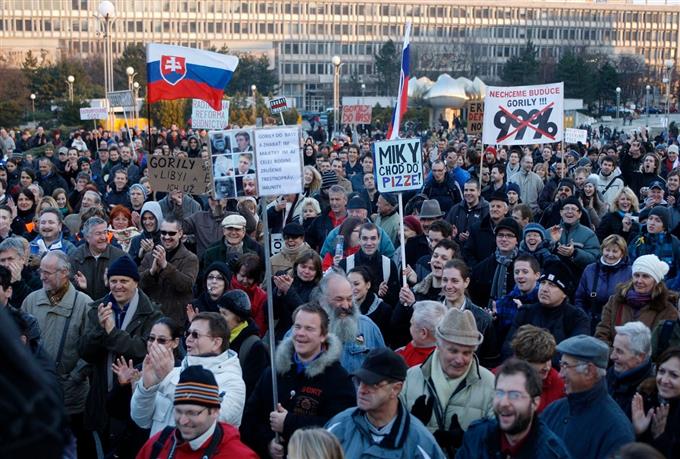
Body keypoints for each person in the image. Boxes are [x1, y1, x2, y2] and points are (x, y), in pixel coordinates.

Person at [242, 303, 355, 458]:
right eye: (297, 327)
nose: (301, 333)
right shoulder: (273, 372)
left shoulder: (338, 379)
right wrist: (267, 443)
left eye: (309, 329)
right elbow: (249, 419)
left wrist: (289, 423)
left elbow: (339, 428)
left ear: (323, 335)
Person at [78, 255, 163, 440]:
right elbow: (85, 352)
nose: (118, 286)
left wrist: (112, 332)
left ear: (136, 283)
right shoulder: (97, 309)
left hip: (132, 396)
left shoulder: (151, 314)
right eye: (113, 281)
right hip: (100, 394)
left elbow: (143, 350)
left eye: (124, 281)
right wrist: (99, 330)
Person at [21, 251, 94, 457]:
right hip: (38, 393)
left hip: (72, 396)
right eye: (41, 271)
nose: (42, 276)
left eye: (48, 272)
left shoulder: (84, 304)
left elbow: (91, 349)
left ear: (64, 273)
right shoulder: (31, 301)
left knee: (76, 446)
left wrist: (75, 377)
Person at [130, 312, 246, 435]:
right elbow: (142, 420)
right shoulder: (175, 373)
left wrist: (167, 380)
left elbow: (212, 420)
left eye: (195, 335)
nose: (188, 339)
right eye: (188, 333)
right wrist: (147, 389)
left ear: (216, 343)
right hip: (162, 447)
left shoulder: (233, 383)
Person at [401, 308, 494, 456]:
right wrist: (414, 427)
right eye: (453, 351)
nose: (459, 360)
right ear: (438, 345)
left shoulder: (490, 383)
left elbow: (496, 442)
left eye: (467, 353)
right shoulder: (411, 377)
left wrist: (468, 441)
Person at [326, 348, 446, 459]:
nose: (362, 390)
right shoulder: (338, 425)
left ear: (396, 389)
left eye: (373, 384)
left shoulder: (420, 442)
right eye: (360, 381)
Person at [542, 335, 635, 459]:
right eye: (561, 365)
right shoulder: (553, 410)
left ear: (589, 371)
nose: (560, 375)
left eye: (565, 366)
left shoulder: (616, 430)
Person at [455, 358, 571, 459]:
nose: (504, 403)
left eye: (514, 395)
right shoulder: (476, 437)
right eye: (499, 393)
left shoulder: (552, 454)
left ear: (535, 403)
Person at [135, 365, 257, 459]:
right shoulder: (158, 443)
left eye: (192, 413)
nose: (183, 421)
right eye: (178, 411)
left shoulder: (238, 455)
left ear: (214, 411)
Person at [502, 261, 590, 364]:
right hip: (523, 369)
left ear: (564, 293)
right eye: (543, 283)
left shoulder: (577, 318)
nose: (544, 289)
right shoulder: (526, 312)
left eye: (552, 285)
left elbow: (574, 354)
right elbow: (508, 348)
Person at [307, 271, 385, 374]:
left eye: (349, 299)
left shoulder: (368, 327)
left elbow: (383, 369)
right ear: (322, 301)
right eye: (339, 299)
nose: (346, 305)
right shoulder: (304, 330)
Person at [595, 254, 678, 347]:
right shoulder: (615, 301)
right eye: (636, 275)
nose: (639, 281)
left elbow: (665, 347)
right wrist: (614, 353)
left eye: (645, 276)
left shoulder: (667, 309)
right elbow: (602, 334)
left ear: (656, 281)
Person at [139, 218, 199, 327]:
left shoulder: (190, 258)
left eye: (171, 233)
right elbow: (137, 285)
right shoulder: (149, 256)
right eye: (163, 233)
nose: (167, 237)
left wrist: (166, 266)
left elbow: (186, 285)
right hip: (151, 319)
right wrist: (151, 272)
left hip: (176, 321)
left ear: (180, 233)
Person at [214, 290, 268, 400]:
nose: (220, 318)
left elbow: (252, 389)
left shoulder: (254, 347)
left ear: (238, 317)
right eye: (219, 312)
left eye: (224, 314)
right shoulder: (218, 337)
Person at [574, 234, 632, 334]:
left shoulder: (629, 272)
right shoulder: (590, 269)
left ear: (622, 254)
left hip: (617, 324)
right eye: (607, 250)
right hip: (590, 323)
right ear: (602, 250)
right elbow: (579, 298)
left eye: (615, 251)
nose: (610, 254)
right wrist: (584, 318)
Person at [631, 347, 680, 458]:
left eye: (674, 375)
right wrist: (637, 432)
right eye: (661, 371)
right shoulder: (644, 398)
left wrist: (660, 437)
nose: (664, 380)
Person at [509, 325, 565, 413]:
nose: (547, 367)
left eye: (548, 359)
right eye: (540, 361)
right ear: (522, 360)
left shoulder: (560, 383)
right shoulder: (498, 378)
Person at [469, 217, 521, 310]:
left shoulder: (524, 266)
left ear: (517, 240)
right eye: (500, 235)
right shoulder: (482, 268)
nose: (504, 239)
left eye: (509, 236)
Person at [70, 216, 127, 301]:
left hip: (112, 305)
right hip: (84, 305)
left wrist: (111, 285)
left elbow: (130, 288)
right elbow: (67, 287)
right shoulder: (76, 257)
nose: (103, 237)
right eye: (98, 233)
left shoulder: (120, 257)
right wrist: (80, 287)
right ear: (87, 237)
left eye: (105, 232)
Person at [606, 321, 654, 419]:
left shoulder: (650, 393)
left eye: (619, 351)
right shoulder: (609, 374)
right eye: (614, 349)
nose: (612, 356)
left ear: (640, 357)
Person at [272, 249, 323, 341]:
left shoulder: (319, 290)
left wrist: (288, 291)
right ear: (296, 266)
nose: (306, 271)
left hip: (305, 337)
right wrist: (278, 292)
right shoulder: (286, 280)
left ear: (317, 272)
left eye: (311, 269)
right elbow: (271, 313)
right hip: (281, 336)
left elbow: (308, 315)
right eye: (303, 267)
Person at [494, 255, 542, 346]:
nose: (520, 276)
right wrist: (493, 320)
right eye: (516, 272)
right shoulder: (505, 301)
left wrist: (525, 314)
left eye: (525, 272)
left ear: (537, 275)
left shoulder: (544, 301)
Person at [629, 206, 680, 281]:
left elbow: (677, 272)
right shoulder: (638, 240)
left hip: (665, 286)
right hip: (639, 284)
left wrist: (668, 286)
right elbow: (629, 265)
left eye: (657, 220)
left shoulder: (674, 242)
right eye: (650, 218)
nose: (652, 223)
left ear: (664, 226)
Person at [395, 300, 447, 367]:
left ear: (423, 333)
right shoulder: (419, 344)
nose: (410, 327)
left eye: (412, 324)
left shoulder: (424, 366)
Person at [127, 201, 163, 265]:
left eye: (151, 218)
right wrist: (139, 256)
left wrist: (150, 253)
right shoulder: (136, 240)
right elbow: (129, 266)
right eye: (144, 219)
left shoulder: (165, 239)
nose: (147, 222)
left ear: (158, 218)